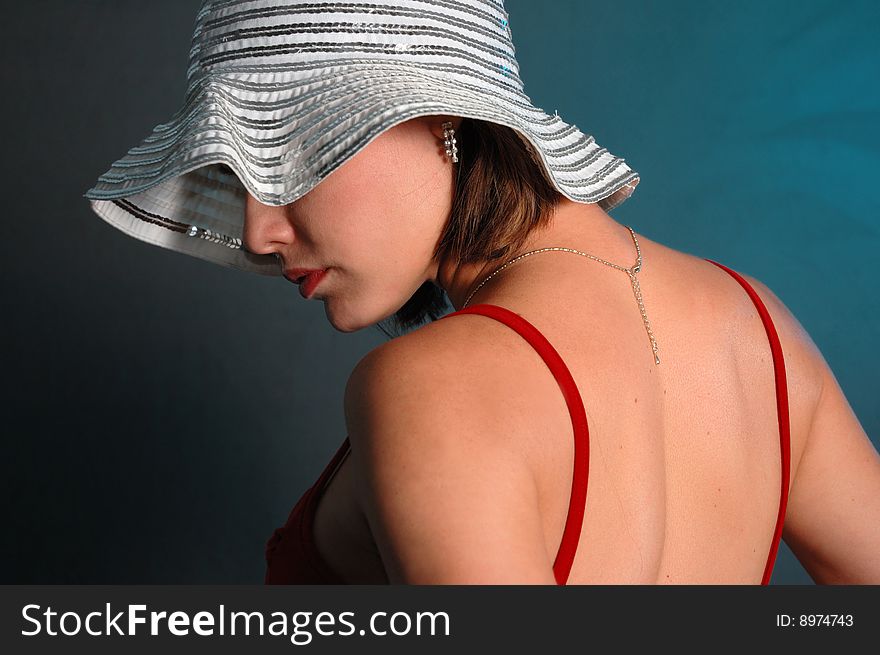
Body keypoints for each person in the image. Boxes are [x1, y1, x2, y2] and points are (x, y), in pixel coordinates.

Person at [85, 1, 880, 585]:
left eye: (297, 149)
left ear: (440, 117)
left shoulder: (433, 388)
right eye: (236, 175)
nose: (259, 231)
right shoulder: (764, 332)